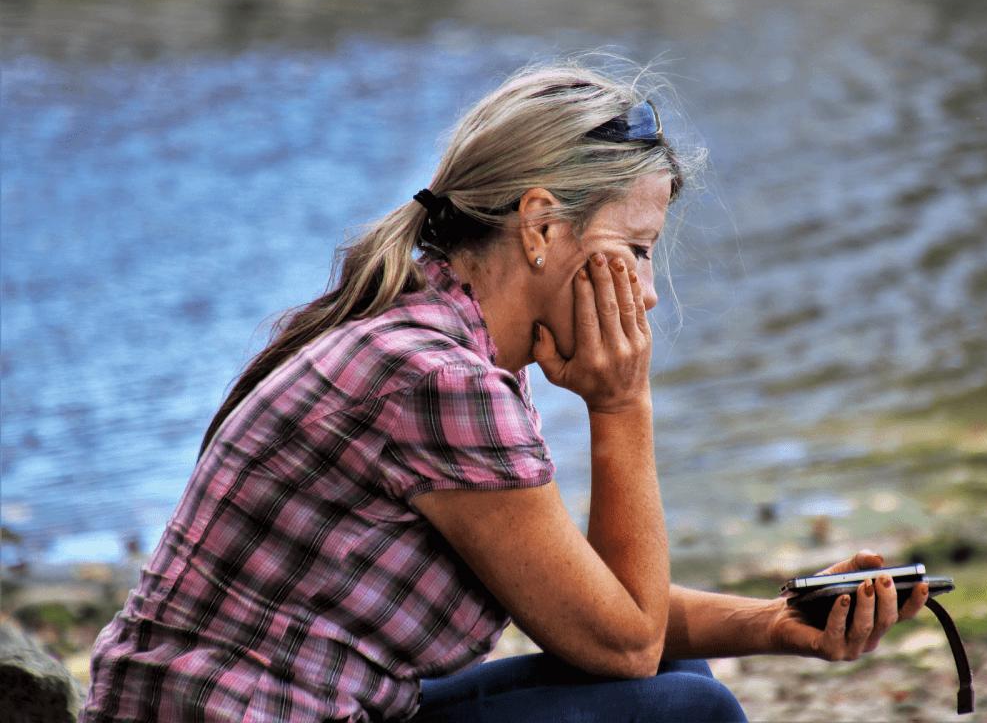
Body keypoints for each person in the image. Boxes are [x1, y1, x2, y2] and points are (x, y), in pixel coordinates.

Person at [82, 57, 928, 722]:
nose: (647, 290)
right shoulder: (439, 380)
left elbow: (597, 610)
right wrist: (621, 405)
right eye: (633, 251)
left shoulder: (441, 341)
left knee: (678, 677)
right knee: (682, 708)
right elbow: (623, 642)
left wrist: (778, 624)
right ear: (539, 225)